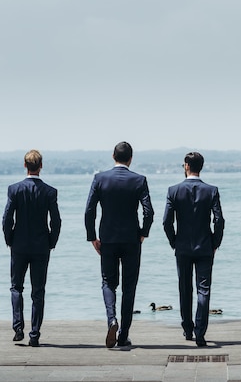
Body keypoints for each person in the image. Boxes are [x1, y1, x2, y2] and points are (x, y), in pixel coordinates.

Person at [84, 141, 154, 348]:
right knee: (129, 287)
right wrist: (143, 233)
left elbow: (89, 210)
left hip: (108, 238)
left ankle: (111, 320)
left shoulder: (100, 178)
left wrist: (92, 237)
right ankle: (123, 335)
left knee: (108, 282)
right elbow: (148, 211)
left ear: (113, 156)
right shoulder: (139, 180)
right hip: (132, 239)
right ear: (131, 158)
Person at [163, 152, 225, 347]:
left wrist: (174, 241)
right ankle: (200, 332)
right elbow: (219, 220)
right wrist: (215, 242)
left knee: (184, 288)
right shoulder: (211, 190)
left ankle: (187, 328)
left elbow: (166, 221)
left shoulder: (174, 190)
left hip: (182, 247)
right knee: (203, 290)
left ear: (187, 166)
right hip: (205, 246)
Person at [2, 149, 61, 347]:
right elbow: (56, 221)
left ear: (25, 165)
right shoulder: (50, 191)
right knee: (38, 291)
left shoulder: (14, 189)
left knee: (16, 287)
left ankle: (18, 327)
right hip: (41, 247)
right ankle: (34, 335)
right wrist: (51, 242)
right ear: (41, 166)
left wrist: (9, 239)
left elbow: (7, 219)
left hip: (19, 245)